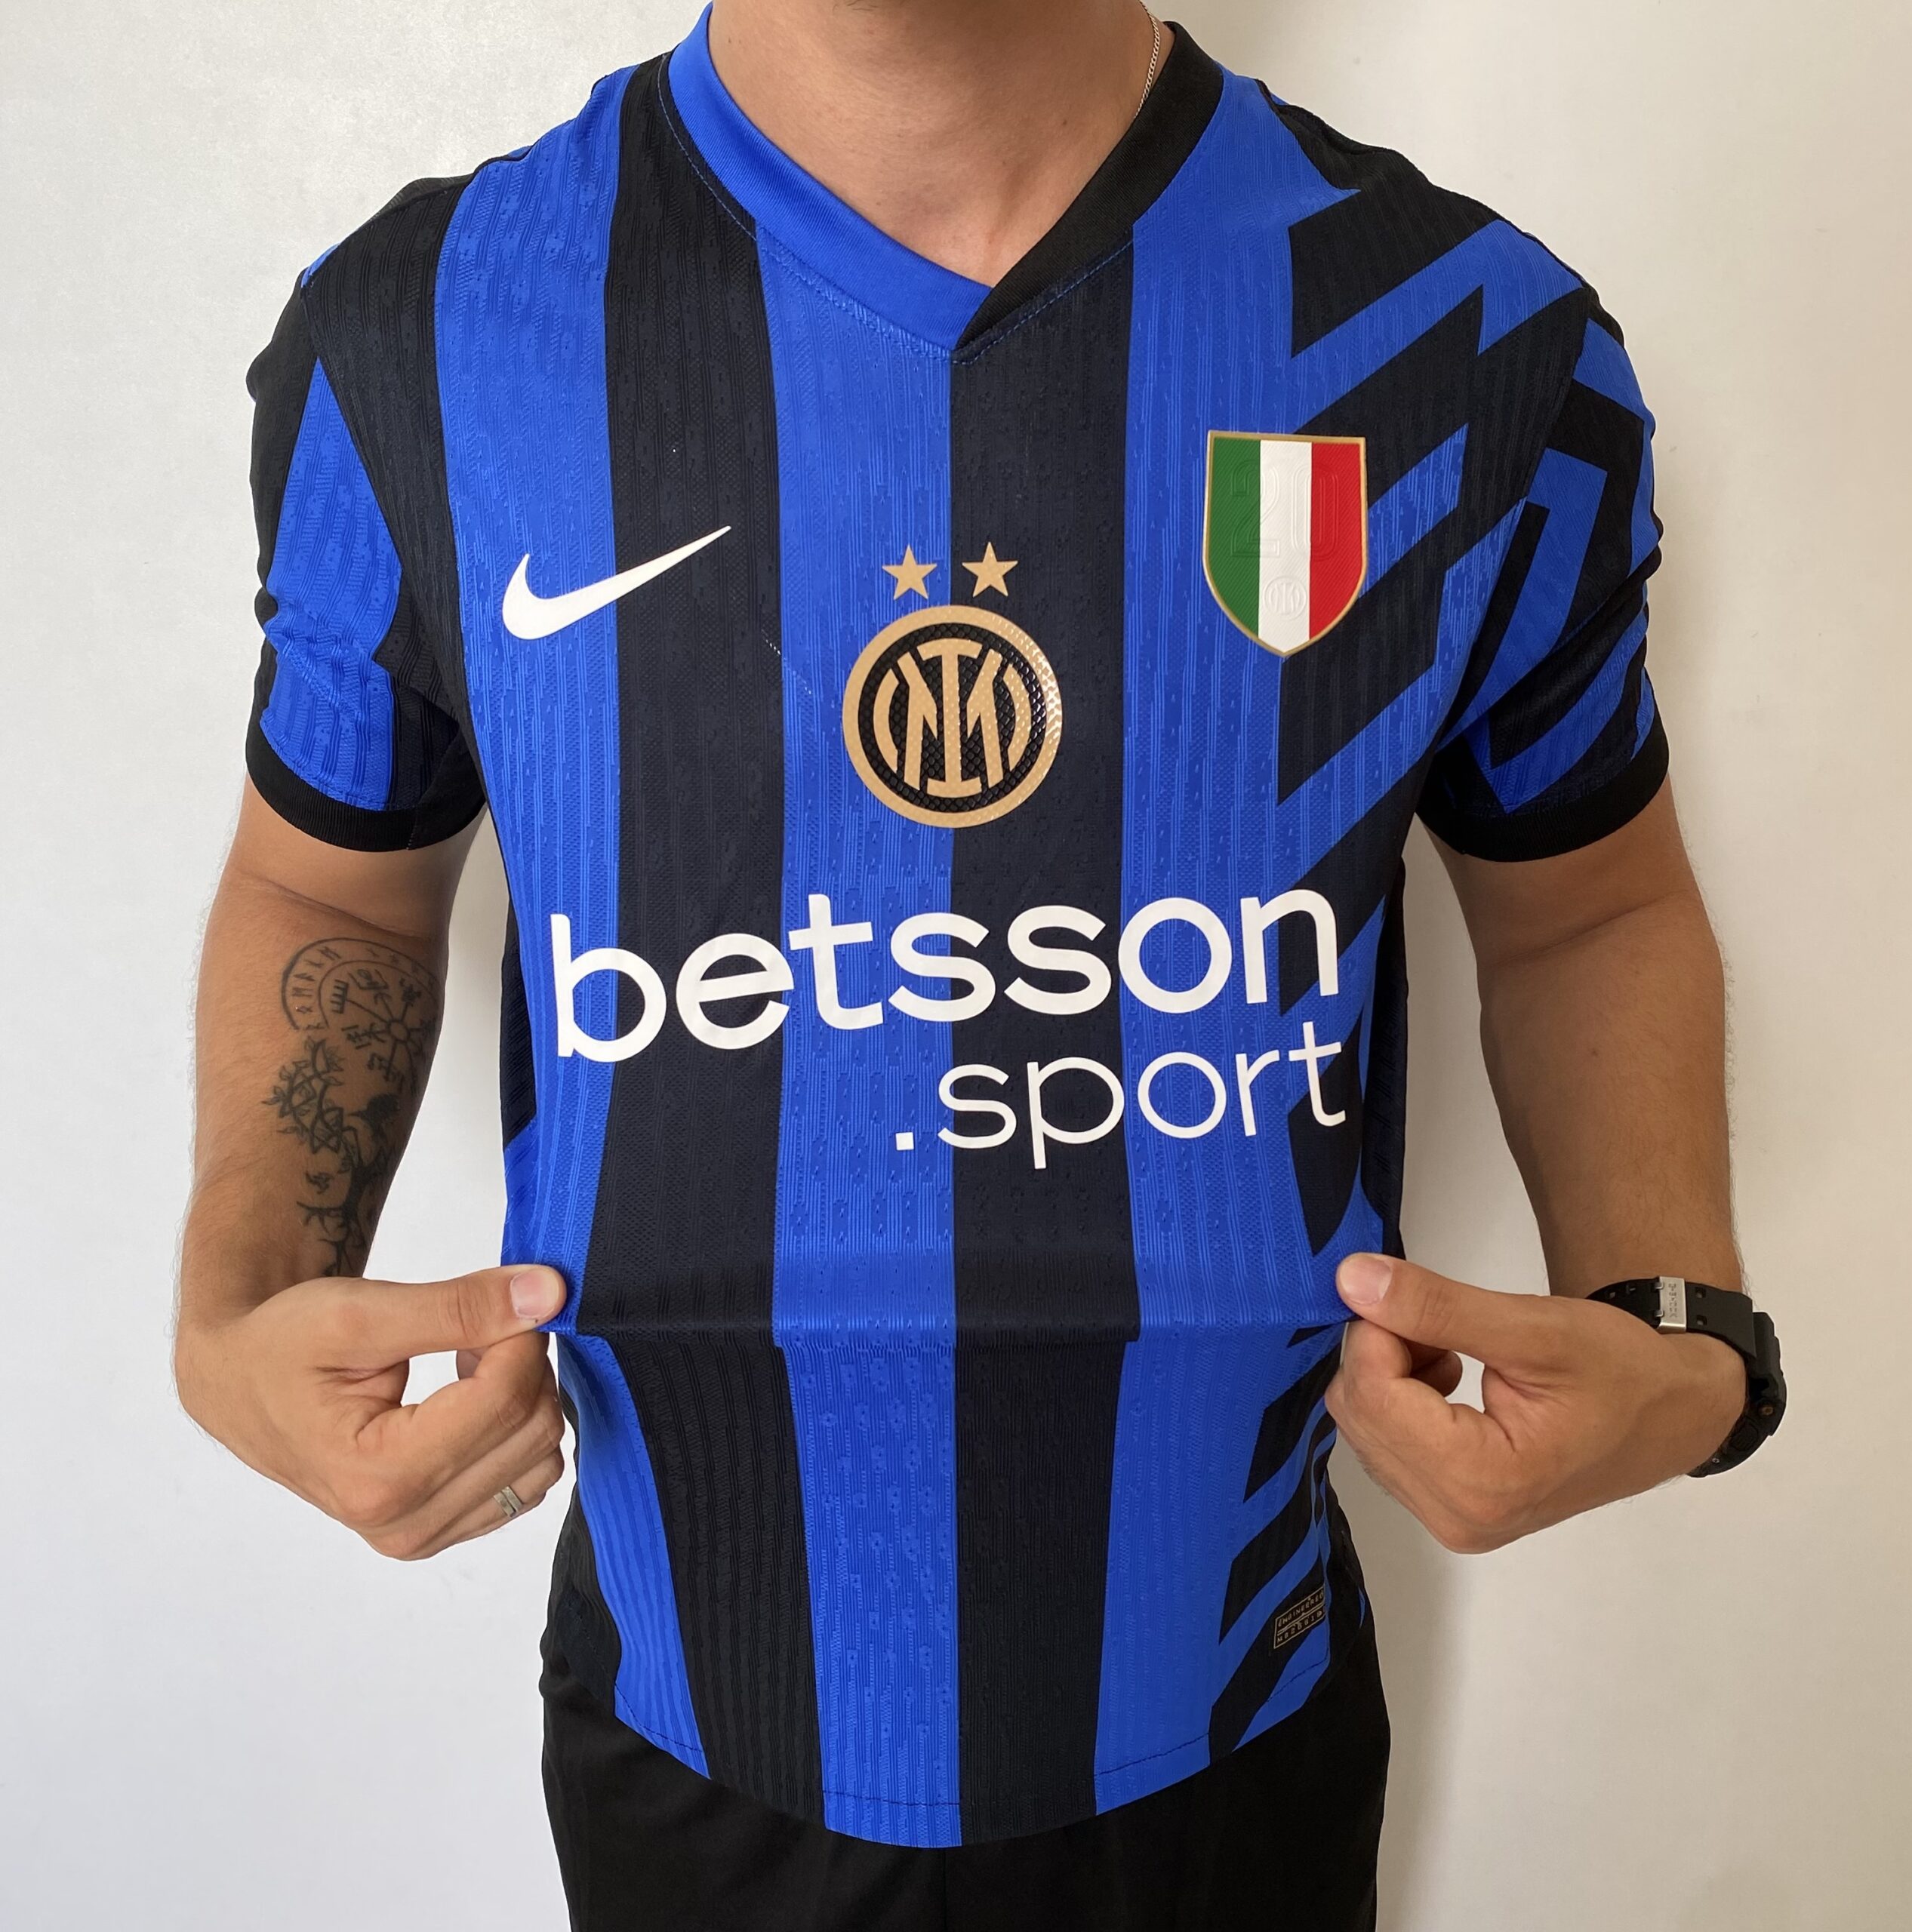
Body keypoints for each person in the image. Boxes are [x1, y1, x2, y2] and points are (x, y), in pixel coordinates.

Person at [175, 3, 1786, 1926]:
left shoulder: (1468, 332)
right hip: (689, 1713)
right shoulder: (413, 336)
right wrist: (235, 1303)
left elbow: (1583, 901)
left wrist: (1678, 1324)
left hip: (1232, 1719)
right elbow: (336, 889)